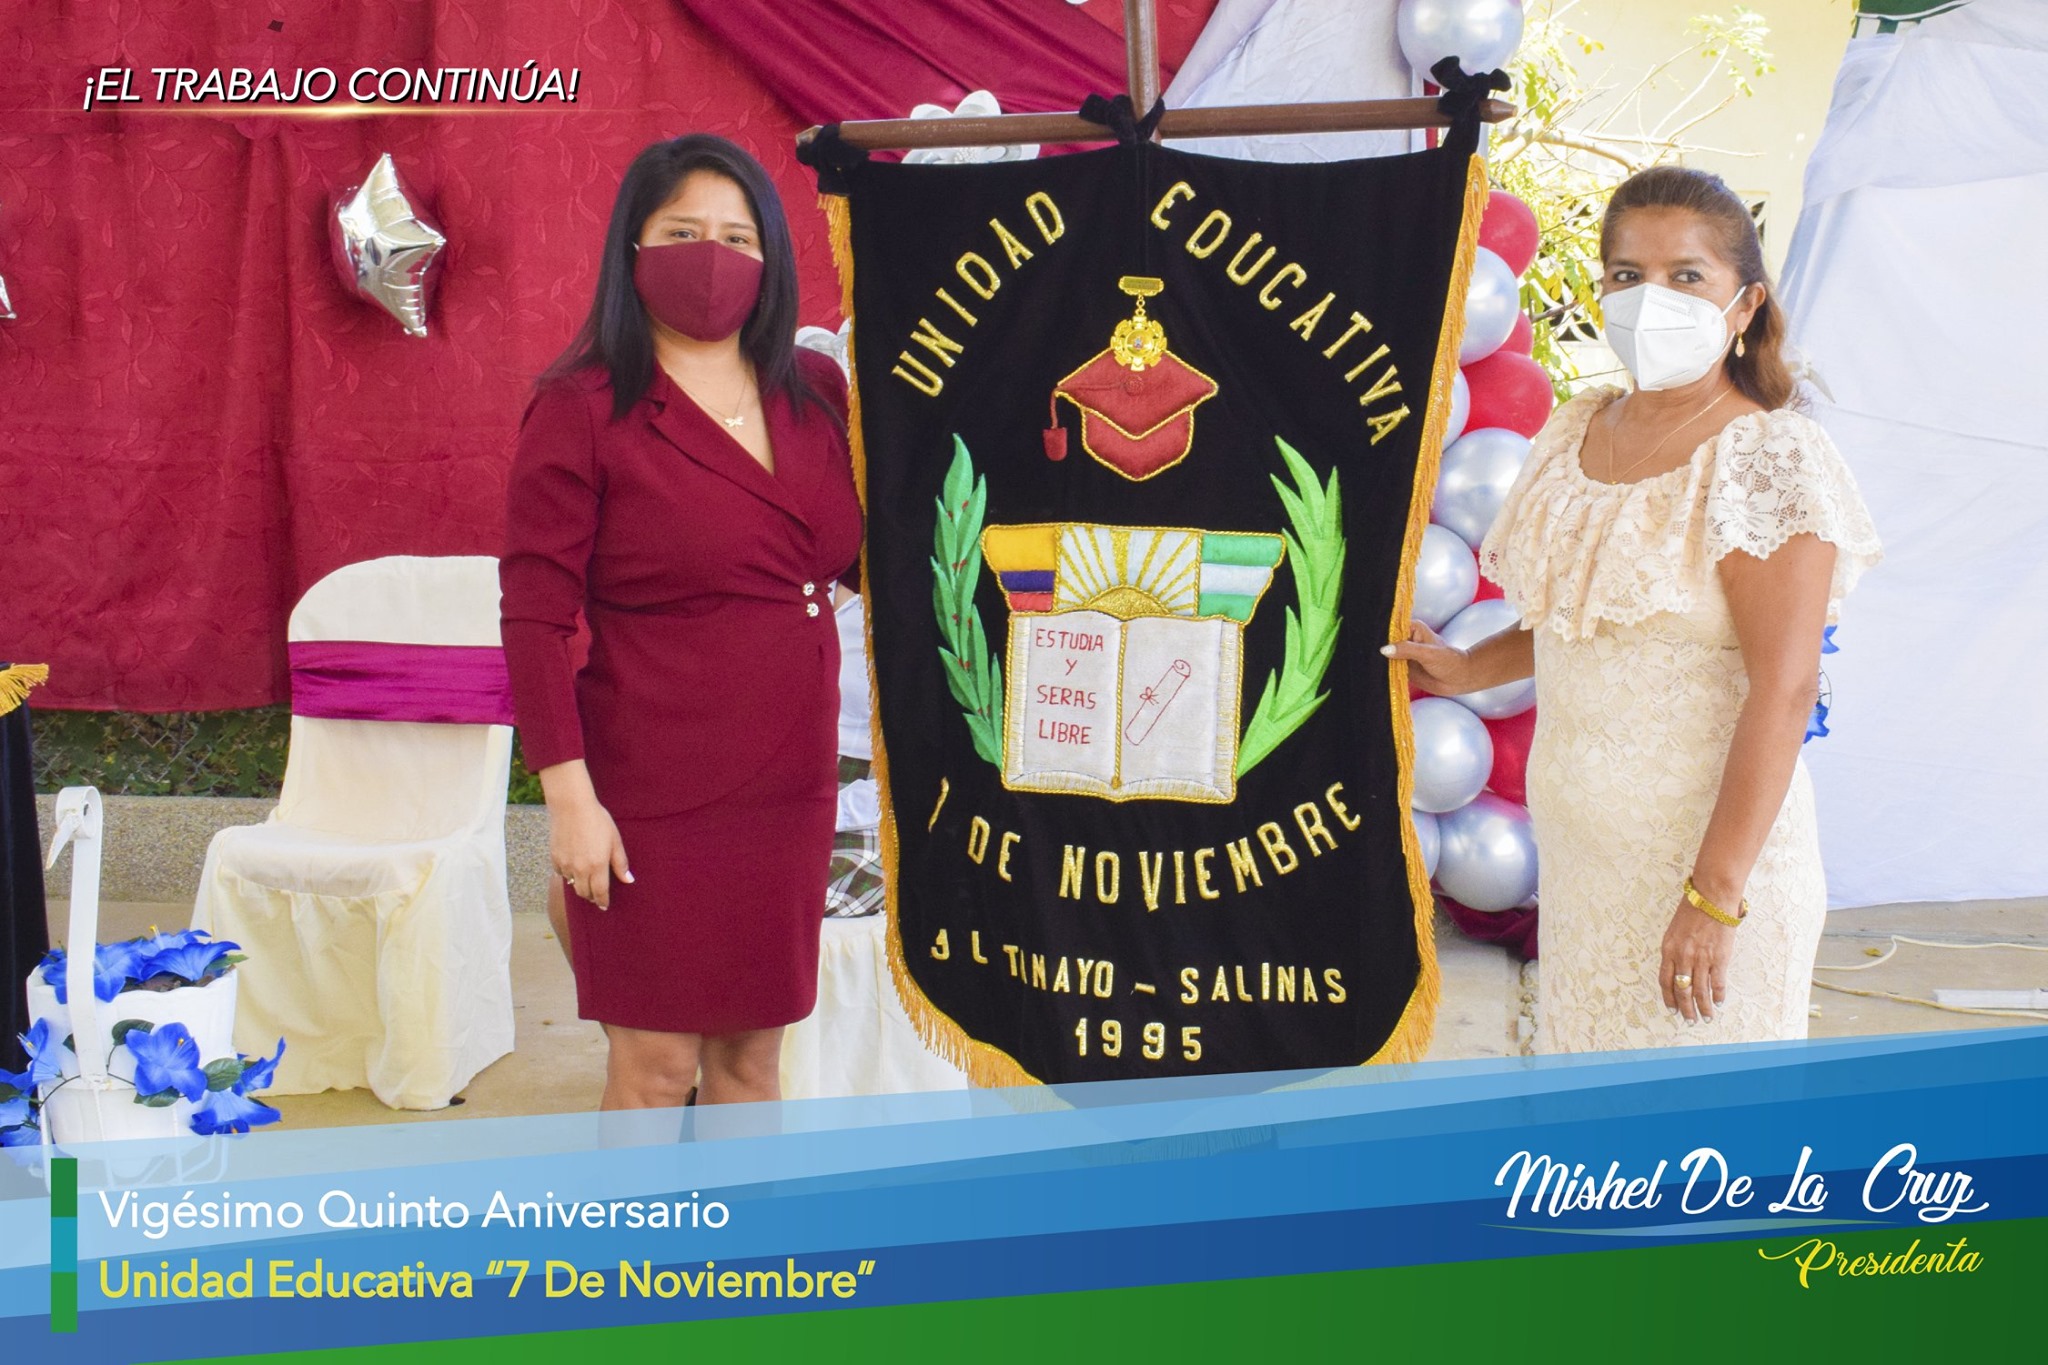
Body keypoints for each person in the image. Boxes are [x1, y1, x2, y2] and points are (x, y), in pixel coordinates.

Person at [1389, 166, 1882, 1052]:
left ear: (1744, 304)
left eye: (1687, 275)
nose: (1653, 299)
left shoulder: (1766, 459)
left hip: (1710, 875)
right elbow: (1589, 612)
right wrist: (1466, 669)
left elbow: (1785, 688)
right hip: (1584, 871)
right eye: (1628, 274)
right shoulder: (1580, 431)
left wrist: (1714, 896)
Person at [501, 135, 862, 1109]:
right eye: (683, 233)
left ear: (771, 256)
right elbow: (534, 619)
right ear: (633, 248)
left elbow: (849, 554)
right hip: (649, 790)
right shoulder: (580, 409)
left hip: (788, 785)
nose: (711, 256)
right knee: (654, 1065)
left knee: (751, 1060)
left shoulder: (816, 393)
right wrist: (569, 802)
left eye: (737, 237)